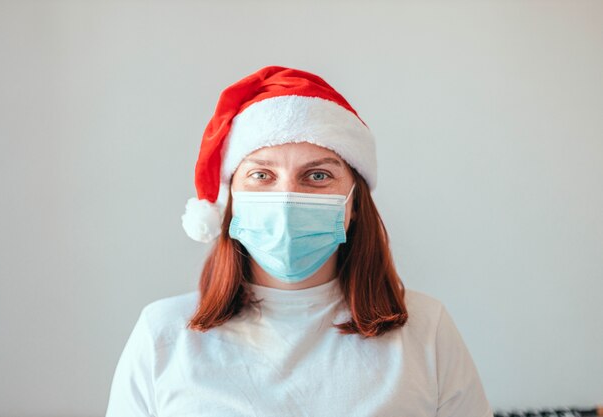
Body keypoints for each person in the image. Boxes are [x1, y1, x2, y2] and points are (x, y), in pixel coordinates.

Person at [105, 66, 493, 417]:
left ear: (354, 202)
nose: (287, 197)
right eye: (261, 175)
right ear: (230, 201)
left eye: (318, 176)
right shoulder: (163, 334)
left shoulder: (426, 329)